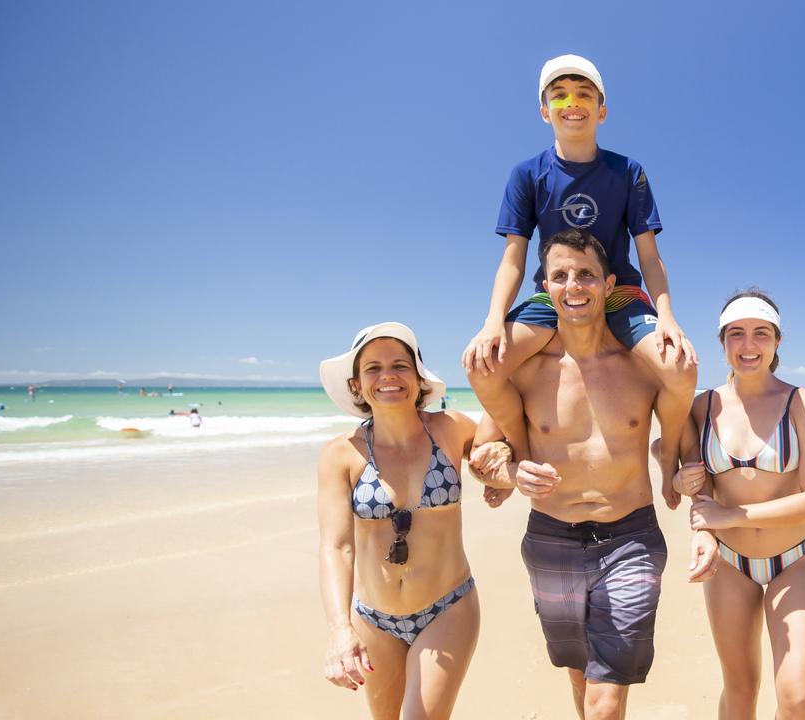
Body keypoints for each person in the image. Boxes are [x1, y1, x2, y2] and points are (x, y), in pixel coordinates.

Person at [469, 229, 705, 720]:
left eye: (586, 275)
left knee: (606, 696)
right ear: (546, 288)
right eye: (560, 276)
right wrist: (511, 470)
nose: (573, 286)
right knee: (580, 674)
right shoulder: (528, 372)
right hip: (551, 538)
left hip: (631, 537)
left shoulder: (642, 368)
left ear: (609, 282)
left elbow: (681, 445)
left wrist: (683, 480)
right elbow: (482, 456)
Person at [462, 54, 697, 509]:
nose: (572, 102)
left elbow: (649, 253)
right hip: (555, 295)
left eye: (584, 93)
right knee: (480, 363)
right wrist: (493, 321)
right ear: (544, 110)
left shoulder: (627, 172)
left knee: (680, 367)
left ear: (602, 110)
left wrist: (667, 315)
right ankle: (521, 452)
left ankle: (666, 454)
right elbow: (513, 258)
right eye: (560, 94)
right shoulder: (527, 174)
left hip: (618, 292)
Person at [316, 322, 506, 719]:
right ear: (356, 385)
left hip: (447, 607)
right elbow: (337, 546)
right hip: (372, 617)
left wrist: (502, 473)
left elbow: (498, 442)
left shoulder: (451, 429)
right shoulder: (341, 454)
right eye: (373, 368)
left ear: (419, 378)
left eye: (400, 366)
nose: (388, 376)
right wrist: (339, 629)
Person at [670, 289, 805, 719]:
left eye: (761, 333)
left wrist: (729, 514)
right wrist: (676, 477)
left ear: (777, 341)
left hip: (795, 560)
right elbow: (670, 470)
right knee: (740, 690)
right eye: (736, 334)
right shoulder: (700, 407)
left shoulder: (801, 403)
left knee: (797, 699)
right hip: (729, 564)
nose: (748, 345)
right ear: (722, 342)